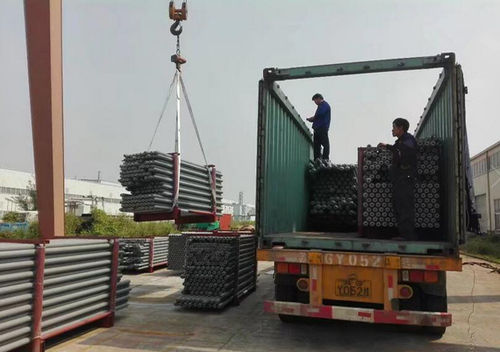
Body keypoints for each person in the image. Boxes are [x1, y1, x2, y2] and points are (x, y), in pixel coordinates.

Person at [378, 118, 418, 241]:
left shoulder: (408, 140)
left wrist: (389, 147)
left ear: (400, 128)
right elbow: (397, 150)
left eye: (394, 127)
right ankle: (403, 234)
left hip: (405, 179)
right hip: (400, 179)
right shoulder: (401, 141)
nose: (392, 130)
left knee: (404, 206)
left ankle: (407, 235)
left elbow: (403, 151)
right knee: (399, 205)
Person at [307, 93, 331, 160]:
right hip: (317, 128)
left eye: (315, 100)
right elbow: (319, 116)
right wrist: (313, 119)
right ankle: (317, 160)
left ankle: (325, 158)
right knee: (317, 146)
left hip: (321, 128)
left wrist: (313, 118)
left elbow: (320, 114)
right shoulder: (321, 106)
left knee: (325, 144)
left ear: (319, 98)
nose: (315, 102)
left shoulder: (324, 105)